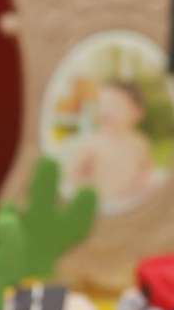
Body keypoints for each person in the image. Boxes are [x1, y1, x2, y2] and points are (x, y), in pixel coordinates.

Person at [64, 81, 158, 215]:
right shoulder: (92, 144)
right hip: (104, 206)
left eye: (113, 104)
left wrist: (144, 185)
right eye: (101, 103)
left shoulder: (140, 142)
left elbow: (146, 173)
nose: (105, 109)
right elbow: (70, 176)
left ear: (137, 112)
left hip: (128, 204)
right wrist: (79, 176)